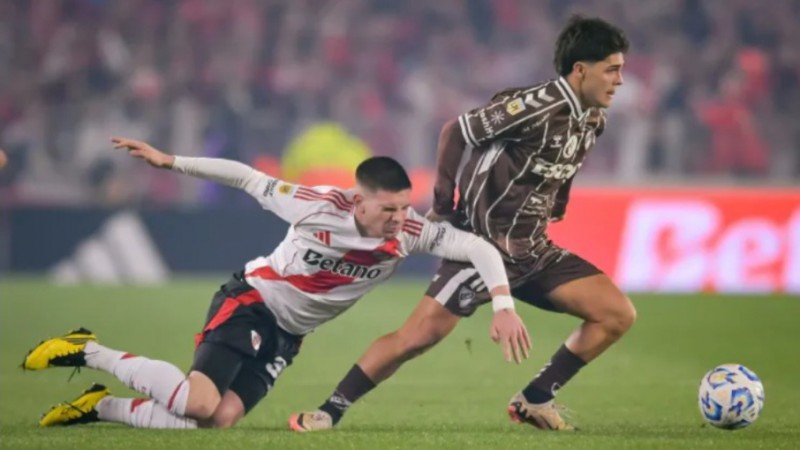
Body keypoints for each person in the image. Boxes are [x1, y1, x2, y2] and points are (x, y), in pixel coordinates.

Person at [22, 138, 530, 429]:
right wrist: (170, 162)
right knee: (199, 403)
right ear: (359, 202)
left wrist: (503, 304)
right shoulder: (315, 205)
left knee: (217, 419)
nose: (401, 217)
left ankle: (100, 405)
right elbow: (245, 177)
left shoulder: (410, 234)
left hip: (290, 334)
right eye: (389, 208)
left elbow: (478, 248)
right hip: (252, 300)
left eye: (405, 206)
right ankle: (90, 351)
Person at [290, 15, 636, 432]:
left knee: (616, 314)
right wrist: (443, 202)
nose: (619, 80)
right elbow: (456, 131)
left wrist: (556, 203)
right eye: (612, 69)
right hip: (480, 246)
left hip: (532, 248)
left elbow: (565, 166)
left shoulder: (592, 119)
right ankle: (329, 411)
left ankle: (535, 398)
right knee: (414, 339)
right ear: (580, 69)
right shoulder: (534, 106)